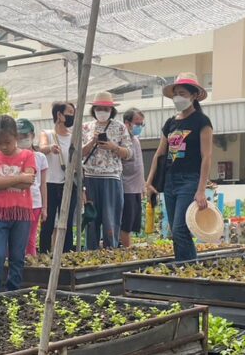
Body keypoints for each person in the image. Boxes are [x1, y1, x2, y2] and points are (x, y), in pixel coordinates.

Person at [145, 72, 214, 262]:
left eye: (182, 93)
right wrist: (149, 182)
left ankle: (189, 268)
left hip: (190, 180)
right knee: (175, 232)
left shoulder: (202, 121)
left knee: (180, 228)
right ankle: (183, 266)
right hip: (170, 181)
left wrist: (201, 190)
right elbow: (159, 154)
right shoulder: (170, 123)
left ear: (193, 95)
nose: (178, 97)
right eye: (175, 94)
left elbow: (207, 156)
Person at [0, 115, 36, 293]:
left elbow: (28, 183)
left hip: (22, 213)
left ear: (16, 136)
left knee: (17, 256)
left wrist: (2, 181)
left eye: (7, 142)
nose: (4, 147)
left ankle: (13, 292)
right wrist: (19, 177)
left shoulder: (28, 155)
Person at [82, 92, 130, 250]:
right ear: (94, 109)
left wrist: (113, 147)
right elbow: (78, 153)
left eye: (106, 109)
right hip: (90, 177)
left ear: (111, 110)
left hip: (112, 177)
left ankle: (111, 251)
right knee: (91, 220)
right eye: (99, 108)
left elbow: (129, 153)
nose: (102, 111)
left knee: (111, 220)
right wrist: (92, 142)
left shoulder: (120, 127)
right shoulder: (86, 127)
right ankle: (91, 253)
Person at [39, 101, 76, 253]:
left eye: (73, 113)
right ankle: (44, 254)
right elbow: (41, 147)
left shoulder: (74, 136)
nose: (72, 116)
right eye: (69, 113)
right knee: (47, 222)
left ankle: (66, 255)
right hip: (50, 184)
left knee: (67, 222)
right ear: (59, 115)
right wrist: (50, 148)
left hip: (68, 184)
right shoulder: (47, 134)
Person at [17, 118, 48, 256]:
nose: (21, 139)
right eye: (18, 136)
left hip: (35, 203)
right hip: (16, 204)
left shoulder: (40, 157)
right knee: (16, 238)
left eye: (24, 135)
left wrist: (45, 207)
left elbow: (43, 184)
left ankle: (31, 264)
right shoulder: (11, 157)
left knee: (30, 239)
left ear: (32, 135)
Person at [121, 108, 146, 247]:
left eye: (142, 124)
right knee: (126, 224)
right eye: (137, 123)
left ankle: (128, 248)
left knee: (132, 224)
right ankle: (126, 250)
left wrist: (143, 186)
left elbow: (139, 165)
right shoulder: (121, 140)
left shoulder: (136, 140)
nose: (139, 127)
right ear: (127, 123)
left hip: (136, 188)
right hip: (126, 188)